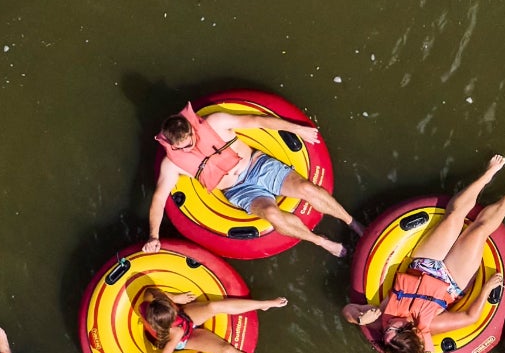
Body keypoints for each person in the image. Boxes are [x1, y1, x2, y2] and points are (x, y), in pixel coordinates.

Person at [340, 155, 505, 353]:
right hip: (451, 282)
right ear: (409, 328)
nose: (389, 324)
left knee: (453, 216)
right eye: (395, 327)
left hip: (423, 266)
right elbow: (469, 318)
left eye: (387, 330)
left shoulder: (380, 319)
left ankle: (487, 176)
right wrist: (486, 289)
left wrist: (359, 318)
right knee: (479, 231)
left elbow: (347, 310)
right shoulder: (430, 325)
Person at [146, 103, 357, 257]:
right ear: (172, 145)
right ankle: (321, 241)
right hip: (238, 191)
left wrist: (295, 128)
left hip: (257, 165)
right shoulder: (172, 164)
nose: (189, 148)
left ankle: (353, 224)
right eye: (182, 148)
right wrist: (154, 236)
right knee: (271, 214)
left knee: (306, 188)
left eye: (190, 141)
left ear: (192, 128)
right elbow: (158, 200)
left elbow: (255, 121)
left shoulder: (215, 122)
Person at [136, 282, 290, 353]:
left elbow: (155, 291)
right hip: (185, 337)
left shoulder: (150, 297)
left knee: (213, 307)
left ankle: (264, 304)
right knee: (227, 350)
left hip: (186, 318)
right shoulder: (175, 333)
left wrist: (176, 298)